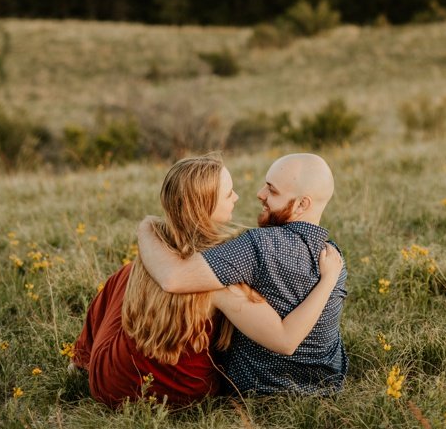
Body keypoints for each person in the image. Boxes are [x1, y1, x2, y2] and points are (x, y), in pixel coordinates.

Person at [72, 153, 343, 407]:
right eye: (228, 193)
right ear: (205, 204)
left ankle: (80, 362)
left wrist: (146, 227)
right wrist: (328, 279)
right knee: (128, 275)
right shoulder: (227, 273)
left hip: (110, 382)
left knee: (125, 275)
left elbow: (170, 275)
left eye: (270, 190)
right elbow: (283, 338)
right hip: (184, 393)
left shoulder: (158, 251)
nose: (239, 197)